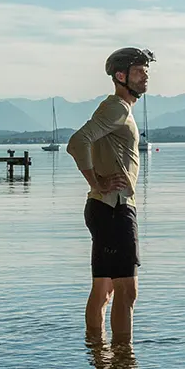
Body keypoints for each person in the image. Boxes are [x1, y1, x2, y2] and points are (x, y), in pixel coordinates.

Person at [67, 47, 154, 344]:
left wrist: (98, 184)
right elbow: (77, 142)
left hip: (104, 208)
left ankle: (97, 354)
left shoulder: (119, 108)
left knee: (104, 289)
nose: (146, 77)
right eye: (139, 71)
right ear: (121, 75)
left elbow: (85, 142)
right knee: (127, 291)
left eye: (146, 71)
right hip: (113, 208)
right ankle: (122, 359)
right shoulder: (117, 107)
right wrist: (98, 181)